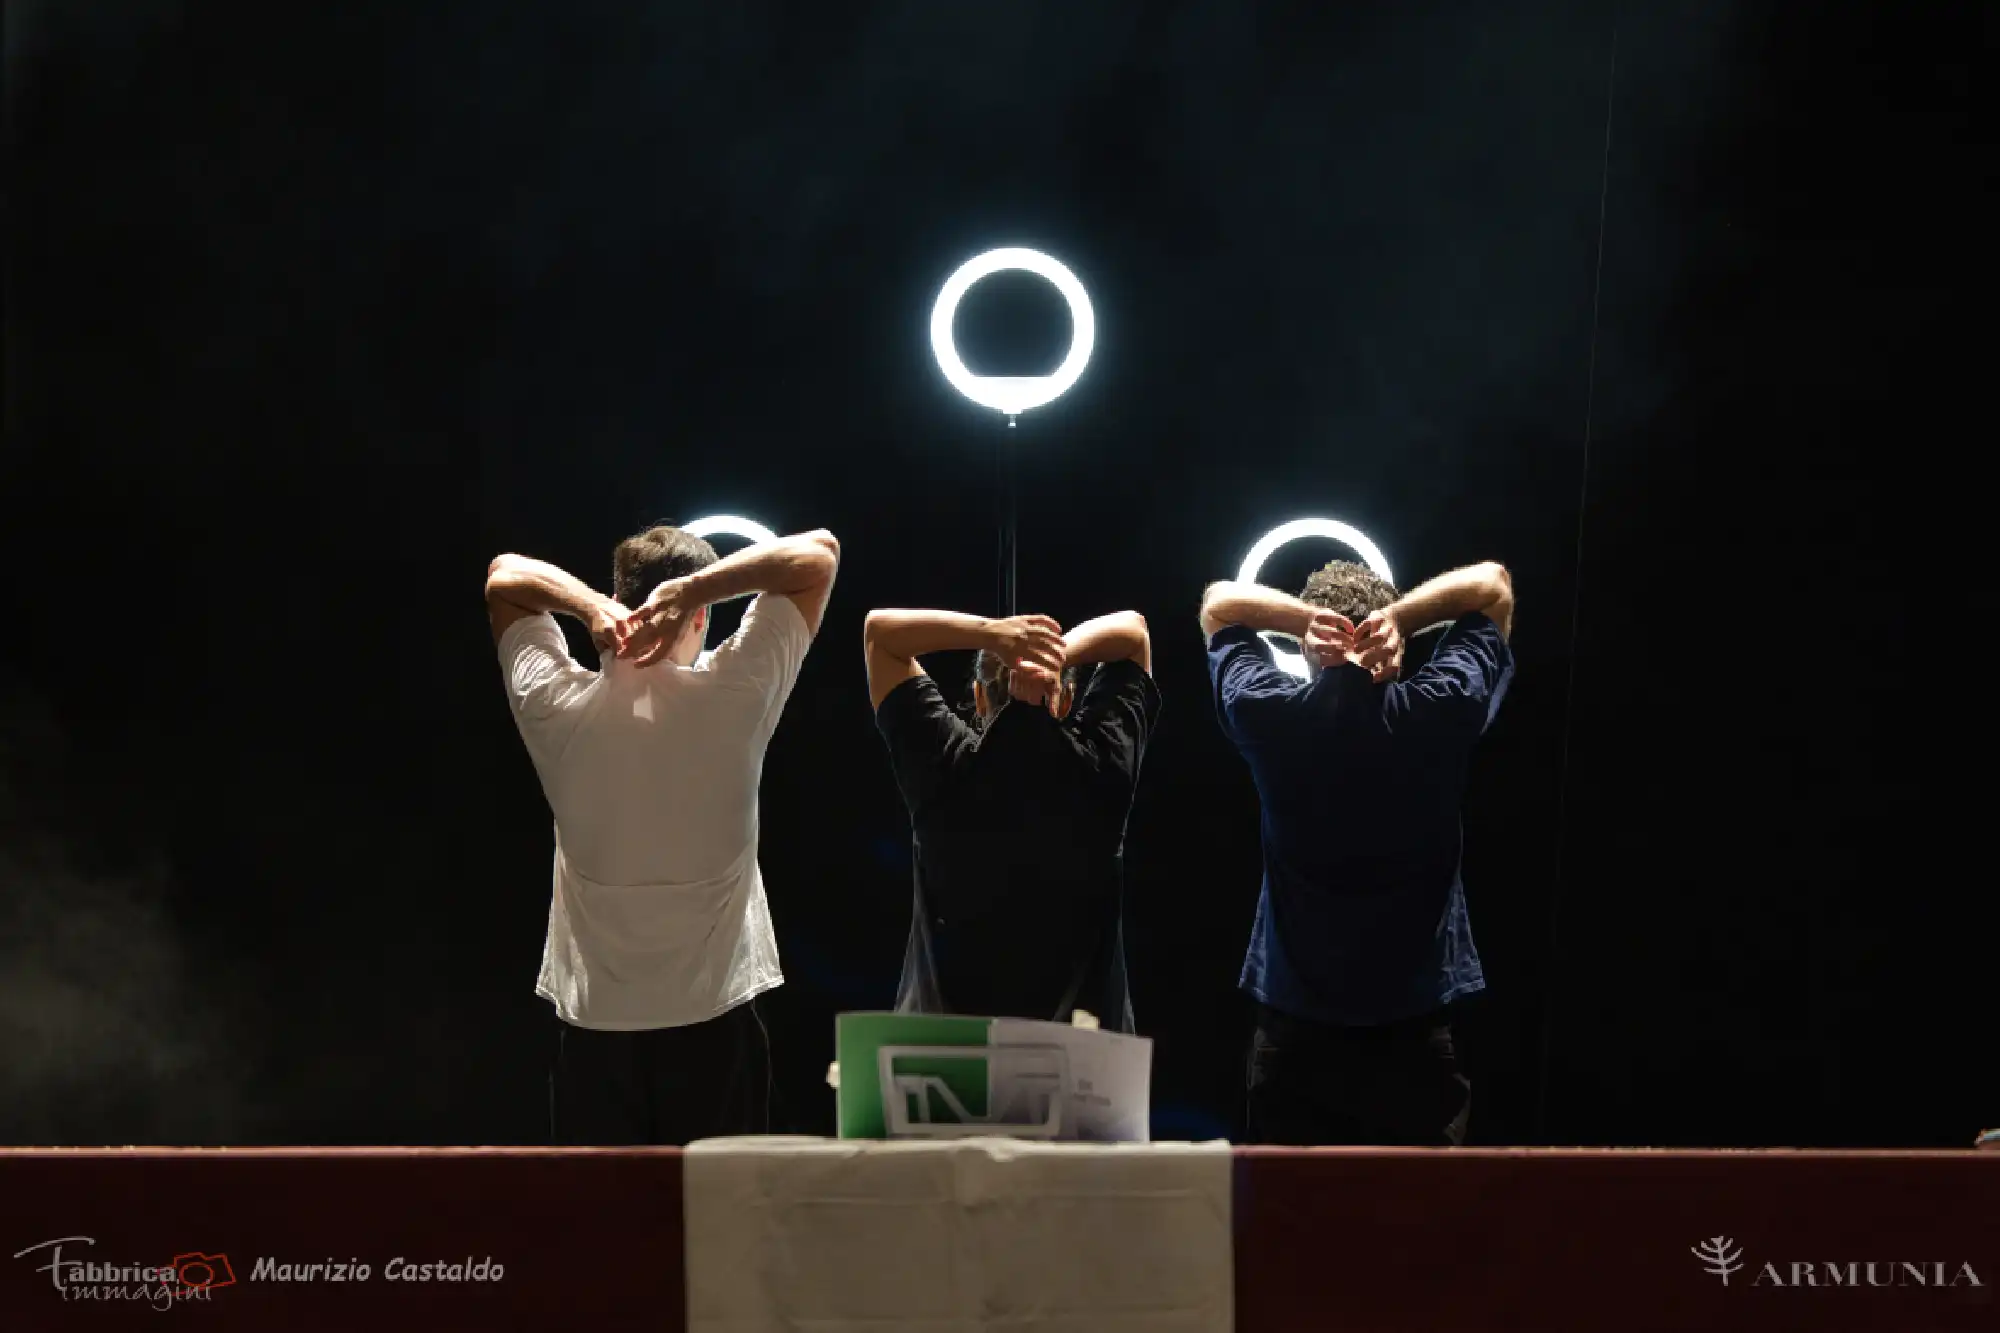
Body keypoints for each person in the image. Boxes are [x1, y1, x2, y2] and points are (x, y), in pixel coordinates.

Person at [484, 523, 839, 1145]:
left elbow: (504, 577)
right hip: (715, 1028)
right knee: (719, 1208)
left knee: (602, 1210)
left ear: (619, 599)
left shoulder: (555, 705)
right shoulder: (736, 694)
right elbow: (818, 555)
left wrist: (589, 606)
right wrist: (692, 590)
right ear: (700, 618)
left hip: (594, 1033)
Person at [1199, 559, 1514, 1146]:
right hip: (1416, 1037)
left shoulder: (1269, 716)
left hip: (1294, 1036)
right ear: (1392, 647)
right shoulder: (1441, 710)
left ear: (1310, 649)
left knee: (1292, 1205)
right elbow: (1494, 587)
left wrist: (1305, 621)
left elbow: (1218, 605)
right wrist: (1400, 618)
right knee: (1417, 1206)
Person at [863, 607, 1160, 1033]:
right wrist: (1054, 654)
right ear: (1066, 698)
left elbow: (881, 635)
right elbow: (1134, 632)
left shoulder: (942, 768)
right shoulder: (1103, 767)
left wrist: (993, 634)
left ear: (979, 697)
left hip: (945, 1051)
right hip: (1086, 1053)